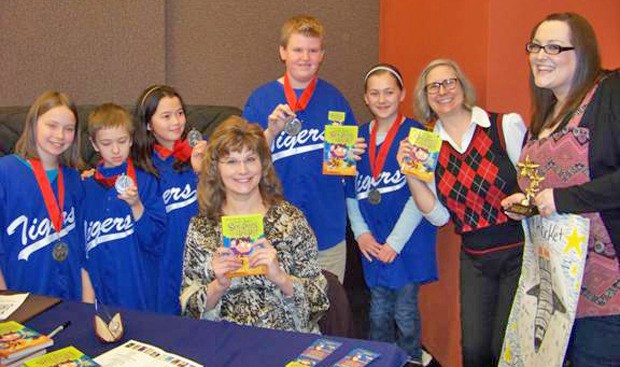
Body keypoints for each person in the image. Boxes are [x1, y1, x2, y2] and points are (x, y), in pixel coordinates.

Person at [501, 12, 620, 366]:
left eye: (554, 46)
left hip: (604, 296)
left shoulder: (609, 94)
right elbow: (550, 191)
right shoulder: (546, 114)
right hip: (554, 294)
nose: (540, 55)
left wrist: (563, 199)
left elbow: (569, 194)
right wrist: (529, 203)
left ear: (582, 52)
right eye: (535, 46)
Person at [397, 59, 527, 367]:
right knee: (474, 350)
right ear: (425, 97)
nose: (443, 91)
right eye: (434, 87)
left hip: (518, 253)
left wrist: (525, 201)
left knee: (502, 346)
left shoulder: (504, 125)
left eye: (449, 82)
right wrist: (411, 175)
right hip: (475, 259)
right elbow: (440, 217)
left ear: (462, 85)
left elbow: (535, 182)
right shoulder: (426, 146)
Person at [242, 15, 365, 283]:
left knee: (329, 311)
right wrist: (271, 132)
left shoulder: (335, 99)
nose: (305, 57)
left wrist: (354, 153)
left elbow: (350, 167)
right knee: (279, 315)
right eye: (298, 49)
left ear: (322, 54)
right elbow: (243, 165)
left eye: (312, 50)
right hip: (274, 232)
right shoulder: (260, 100)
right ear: (283, 52)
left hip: (327, 230)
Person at [179, 116, 329, 332]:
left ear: (263, 164)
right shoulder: (202, 227)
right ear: (216, 168)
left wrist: (282, 279)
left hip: (286, 342)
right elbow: (188, 309)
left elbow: (320, 302)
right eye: (231, 161)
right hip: (224, 342)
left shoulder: (290, 220)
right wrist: (217, 286)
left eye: (250, 159)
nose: (243, 170)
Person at [345, 64, 439, 365]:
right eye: (375, 93)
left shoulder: (419, 135)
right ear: (365, 98)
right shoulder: (355, 139)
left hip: (406, 244)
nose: (382, 99)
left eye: (389, 92)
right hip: (372, 241)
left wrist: (395, 243)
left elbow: (420, 196)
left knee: (405, 312)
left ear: (401, 94)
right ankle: (380, 360)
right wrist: (360, 233)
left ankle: (409, 360)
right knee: (377, 310)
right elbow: (349, 191)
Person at [0, 91, 93, 301]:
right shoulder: (5, 172)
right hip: (20, 300)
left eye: (68, 129)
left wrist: (87, 303)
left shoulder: (74, 179)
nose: (60, 135)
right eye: (51, 125)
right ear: (33, 124)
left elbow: (83, 249)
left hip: (70, 298)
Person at [82, 103, 166, 311]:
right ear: (94, 144)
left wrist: (137, 206)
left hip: (141, 291)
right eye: (106, 143)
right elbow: (82, 251)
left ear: (131, 139)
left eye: (122, 141)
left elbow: (156, 239)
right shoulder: (84, 188)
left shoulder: (145, 181)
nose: (116, 149)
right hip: (102, 294)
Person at [132, 85, 204, 314]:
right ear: (148, 124)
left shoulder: (202, 152)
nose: (176, 121)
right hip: (165, 265)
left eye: (180, 113)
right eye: (166, 116)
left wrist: (204, 171)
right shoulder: (140, 169)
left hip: (205, 261)